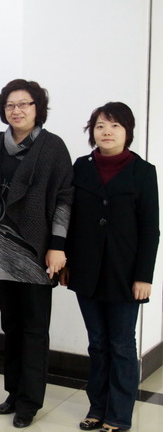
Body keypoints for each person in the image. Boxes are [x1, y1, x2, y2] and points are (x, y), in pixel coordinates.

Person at [61, 102, 159, 432]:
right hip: (86, 271)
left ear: (127, 131)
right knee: (97, 343)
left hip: (125, 273)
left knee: (121, 345)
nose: (107, 132)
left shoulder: (143, 171)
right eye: (100, 125)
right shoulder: (81, 166)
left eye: (115, 125)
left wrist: (144, 276)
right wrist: (67, 262)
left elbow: (151, 228)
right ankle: (97, 408)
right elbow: (71, 219)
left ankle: (118, 415)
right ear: (92, 131)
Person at [0, 79, 73, 428]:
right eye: (11, 104)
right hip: (2, 251)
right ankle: (13, 392)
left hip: (37, 253)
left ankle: (30, 402)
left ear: (38, 108)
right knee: (11, 326)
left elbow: (65, 198)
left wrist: (58, 246)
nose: (17, 110)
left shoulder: (53, 147)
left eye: (24, 104)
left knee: (35, 329)